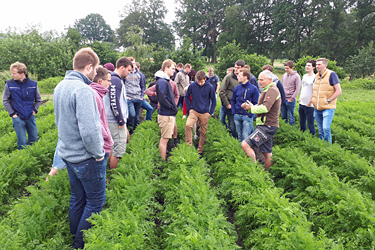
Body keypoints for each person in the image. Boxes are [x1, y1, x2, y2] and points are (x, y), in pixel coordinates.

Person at [53, 48, 106, 249]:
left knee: (78, 197)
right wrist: (99, 154)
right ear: (89, 67)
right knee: (95, 201)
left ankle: (74, 234)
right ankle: (79, 244)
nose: (95, 74)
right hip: (85, 158)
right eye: (95, 69)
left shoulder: (60, 86)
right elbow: (90, 131)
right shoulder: (83, 90)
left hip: (68, 154)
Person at [47, 66, 114, 179]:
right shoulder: (87, 92)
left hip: (67, 148)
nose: (110, 84)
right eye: (109, 81)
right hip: (80, 153)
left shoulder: (61, 86)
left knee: (78, 193)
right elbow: (89, 128)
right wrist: (99, 152)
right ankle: (46, 187)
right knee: (95, 194)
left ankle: (46, 186)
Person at [241, 70, 281, 171]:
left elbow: (265, 108)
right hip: (266, 125)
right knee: (267, 153)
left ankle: (254, 170)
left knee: (245, 145)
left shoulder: (272, 90)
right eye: (259, 79)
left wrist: (252, 108)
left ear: (270, 80)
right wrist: (251, 106)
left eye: (262, 80)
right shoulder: (267, 89)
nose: (259, 82)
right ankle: (268, 175)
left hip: (267, 126)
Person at [3, 62, 42, 150]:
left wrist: (35, 110)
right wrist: (13, 114)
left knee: (34, 140)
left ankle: (34, 158)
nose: (12, 75)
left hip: (30, 116)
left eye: (14, 73)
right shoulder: (9, 84)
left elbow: (38, 99)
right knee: (22, 142)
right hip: (18, 117)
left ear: (22, 73)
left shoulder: (33, 84)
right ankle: (24, 158)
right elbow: (5, 100)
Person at [104, 57, 133, 169]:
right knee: (118, 151)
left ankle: (111, 175)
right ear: (122, 67)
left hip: (112, 120)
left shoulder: (114, 79)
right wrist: (120, 120)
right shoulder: (115, 80)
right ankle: (115, 178)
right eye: (129, 70)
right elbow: (114, 102)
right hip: (114, 121)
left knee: (112, 148)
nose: (129, 73)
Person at [307, 58, 342, 144]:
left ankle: (329, 147)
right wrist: (311, 101)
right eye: (317, 64)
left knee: (326, 128)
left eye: (319, 64)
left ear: (325, 65)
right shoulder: (316, 76)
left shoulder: (332, 74)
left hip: (328, 107)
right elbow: (315, 91)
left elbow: (339, 91)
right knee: (320, 130)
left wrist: (329, 100)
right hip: (317, 107)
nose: (317, 66)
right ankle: (322, 146)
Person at [145, 68, 180, 146]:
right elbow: (147, 91)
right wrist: (156, 93)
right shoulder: (161, 83)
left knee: (174, 124)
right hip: (162, 107)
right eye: (172, 68)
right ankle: (165, 144)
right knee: (164, 128)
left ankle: (174, 139)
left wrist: (174, 105)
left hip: (172, 108)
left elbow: (177, 95)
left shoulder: (173, 84)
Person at [185, 70, 216, 154]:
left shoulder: (210, 87)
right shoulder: (192, 86)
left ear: (205, 79)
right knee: (188, 125)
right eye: (198, 81)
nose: (200, 83)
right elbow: (186, 97)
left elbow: (214, 100)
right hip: (194, 111)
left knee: (203, 132)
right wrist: (190, 108)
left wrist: (210, 112)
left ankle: (200, 151)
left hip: (205, 112)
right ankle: (189, 147)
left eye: (201, 81)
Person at [155, 59, 178, 160]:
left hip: (167, 114)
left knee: (165, 138)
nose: (174, 71)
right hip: (166, 115)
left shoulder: (164, 81)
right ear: (166, 68)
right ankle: (162, 161)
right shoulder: (162, 82)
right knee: (164, 139)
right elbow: (162, 98)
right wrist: (172, 107)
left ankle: (163, 159)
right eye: (172, 68)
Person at [231, 69, 259, 142]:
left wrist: (249, 114)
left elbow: (256, 103)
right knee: (240, 137)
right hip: (237, 115)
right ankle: (240, 152)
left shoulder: (253, 89)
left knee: (245, 137)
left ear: (245, 77)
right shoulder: (237, 88)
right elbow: (233, 100)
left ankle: (249, 152)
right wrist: (234, 112)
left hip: (247, 116)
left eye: (239, 76)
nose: (237, 77)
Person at [220, 60, 245, 138]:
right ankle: (232, 139)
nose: (236, 69)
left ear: (243, 68)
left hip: (241, 105)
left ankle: (239, 138)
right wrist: (227, 104)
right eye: (235, 67)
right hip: (231, 104)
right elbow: (222, 91)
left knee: (240, 124)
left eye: (238, 68)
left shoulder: (244, 78)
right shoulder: (228, 77)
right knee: (232, 124)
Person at [125, 57, 146, 132]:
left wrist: (142, 96)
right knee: (132, 115)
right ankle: (126, 128)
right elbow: (123, 86)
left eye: (134, 63)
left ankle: (134, 132)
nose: (133, 65)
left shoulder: (139, 74)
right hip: (129, 98)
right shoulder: (126, 74)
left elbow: (143, 86)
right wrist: (126, 96)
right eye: (131, 64)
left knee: (137, 118)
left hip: (138, 98)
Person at [298, 59, 316, 135]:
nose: (307, 67)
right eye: (306, 65)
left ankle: (312, 139)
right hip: (302, 103)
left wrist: (310, 102)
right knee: (301, 122)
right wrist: (300, 97)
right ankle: (302, 137)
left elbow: (315, 91)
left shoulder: (315, 77)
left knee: (310, 124)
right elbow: (303, 87)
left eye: (309, 65)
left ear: (313, 67)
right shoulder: (305, 76)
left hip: (310, 105)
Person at [281, 60, 301, 126]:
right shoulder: (284, 75)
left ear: (292, 68)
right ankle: (285, 129)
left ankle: (292, 129)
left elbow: (298, 89)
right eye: (285, 68)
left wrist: (292, 98)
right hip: (283, 98)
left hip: (290, 99)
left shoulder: (296, 76)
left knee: (291, 116)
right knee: (283, 116)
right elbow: (282, 86)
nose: (286, 70)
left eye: (287, 68)